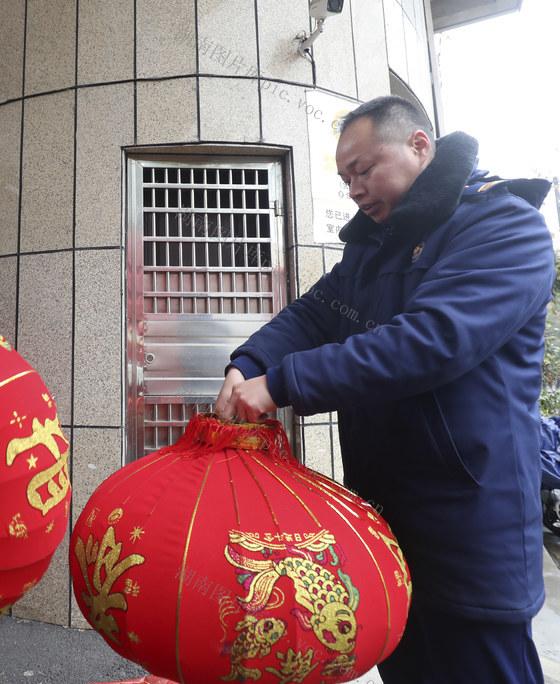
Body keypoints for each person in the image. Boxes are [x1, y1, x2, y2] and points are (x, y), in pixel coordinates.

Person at [214, 96, 553, 683]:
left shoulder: (503, 226)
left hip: (468, 517)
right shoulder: (373, 247)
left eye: (364, 169)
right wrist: (248, 364)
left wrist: (283, 384)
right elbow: (313, 315)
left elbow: (431, 340)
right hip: (382, 520)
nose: (353, 189)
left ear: (420, 145)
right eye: (345, 177)